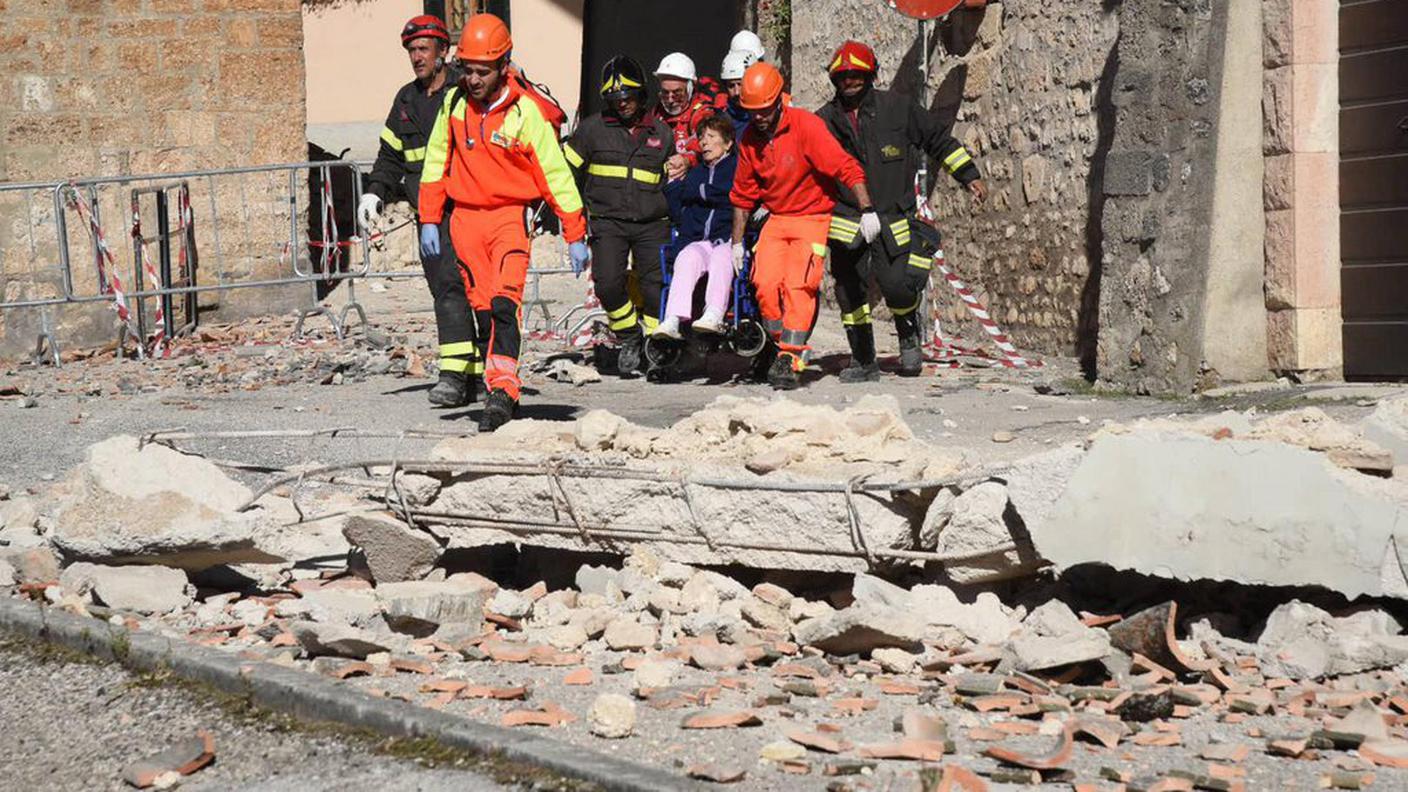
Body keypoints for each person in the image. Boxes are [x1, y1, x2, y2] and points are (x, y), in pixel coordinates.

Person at [419, 14, 590, 431]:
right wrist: (428, 218)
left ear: (503, 66)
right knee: (481, 309)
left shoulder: (525, 114)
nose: (473, 80)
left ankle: (503, 390)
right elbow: (435, 163)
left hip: (508, 219)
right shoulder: (455, 106)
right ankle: (496, 382)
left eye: (482, 72)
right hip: (464, 223)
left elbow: (555, 174)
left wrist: (575, 232)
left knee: (503, 305)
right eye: (468, 70)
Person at [817, 40, 986, 381]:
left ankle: (908, 334)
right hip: (848, 219)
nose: (849, 81)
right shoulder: (822, 121)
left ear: (871, 75)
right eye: (843, 76)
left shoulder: (898, 108)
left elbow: (938, 140)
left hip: (893, 216)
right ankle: (863, 360)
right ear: (835, 79)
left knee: (898, 285)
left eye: (856, 75)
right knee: (849, 291)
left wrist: (968, 175)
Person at [729, 62, 879, 391]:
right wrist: (736, 244)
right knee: (765, 284)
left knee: (799, 284)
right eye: (752, 112)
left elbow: (845, 167)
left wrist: (867, 208)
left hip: (812, 218)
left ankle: (792, 355)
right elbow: (742, 196)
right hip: (778, 218)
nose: (759, 118)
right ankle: (779, 345)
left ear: (778, 101)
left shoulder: (806, 127)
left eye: (764, 110)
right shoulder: (749, 139)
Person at [357, 15, 477, 407]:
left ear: (444, 51)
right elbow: (390, 156)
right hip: (430, 215)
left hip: (471, 208)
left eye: (423, 49)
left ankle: (487, 373)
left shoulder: (467, 91)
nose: (416, 57)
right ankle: (456, 377)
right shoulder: (406, 101)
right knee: (446, 289)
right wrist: (374, 192)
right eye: (411, 50)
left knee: (481, 294)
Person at [562, 56, 674, 377]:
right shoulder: (591, 130)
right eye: (616, 100)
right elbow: (565, 175)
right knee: (608, 285)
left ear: (641, 95)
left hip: (653, 224)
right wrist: (572, 222)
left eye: (628, 97)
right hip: (607, 223)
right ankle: (629, 337)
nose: (623, 104)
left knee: (655, 289)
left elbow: (675, 183)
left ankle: (654, 345)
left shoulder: (662, 135)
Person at [657, 114, 739, 339]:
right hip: (698, 240)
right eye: (702, 138)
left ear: (728, 143)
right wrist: (673, 184)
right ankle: (672, 319)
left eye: (711, 137)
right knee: (687, 257)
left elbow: (732, 196)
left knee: (722, 257)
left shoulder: (736, 168)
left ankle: (713, 314)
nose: (704, 143)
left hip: (726, 238)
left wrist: (700, 193)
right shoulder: (697, 172)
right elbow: (679, 207)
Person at [650, 52, 715, 182]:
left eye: (677, 93)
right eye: (665, 93)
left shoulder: (702, 114)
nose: (670, 100)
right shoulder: (656, 113)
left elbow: (708, 147)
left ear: (691, 88)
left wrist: (687, 161)